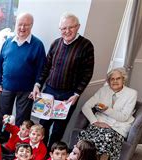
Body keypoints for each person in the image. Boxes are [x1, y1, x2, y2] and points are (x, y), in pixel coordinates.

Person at [31, 12, 95, 149]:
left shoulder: (86, 46)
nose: (67, 31)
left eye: (70, 27)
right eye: (63, 28)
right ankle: (40, 152)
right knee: (43, 126)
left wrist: (77, 94)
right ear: (60, 29)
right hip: (49, 92)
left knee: (58, 129)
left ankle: (51, 154)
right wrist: (37, 85)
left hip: (68, 95)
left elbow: (87, 73)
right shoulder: (56, 43)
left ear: (78, 27)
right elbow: (46, 68)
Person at [78, 67, 137, 160]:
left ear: (123, 80)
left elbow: (123, 117)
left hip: (118, 126)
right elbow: (86, 107)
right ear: (108, 81)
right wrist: (94, 122)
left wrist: (107, 110)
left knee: (108, 135)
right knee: (98, 134)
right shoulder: (103, 90)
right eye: (112, 79)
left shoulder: (132, 93)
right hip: (101, 122)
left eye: (118, 78)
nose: (115, 81)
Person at [0, 13, 46, 138]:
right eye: (20, 24)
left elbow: (42, 69)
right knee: (4, 116)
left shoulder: (37, 45)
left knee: (22, 119)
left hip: (27, 90)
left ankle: (18, 143)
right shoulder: (7, 42)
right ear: (15, 24)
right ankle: (2, 141)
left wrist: (37, 85)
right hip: (6, 87)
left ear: (31, 26)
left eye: (26, 25)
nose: (22, 28)